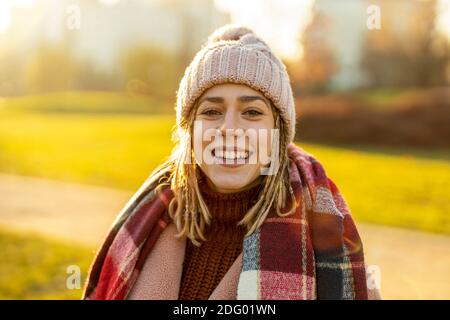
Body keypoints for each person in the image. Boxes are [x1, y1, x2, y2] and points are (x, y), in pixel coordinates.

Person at [82, 24, 379, 300]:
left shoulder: (326, 245)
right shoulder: (149, 222)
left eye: (251, 112)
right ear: (191, 132)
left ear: (277, 134)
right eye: (211, 112)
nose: (229, 129)